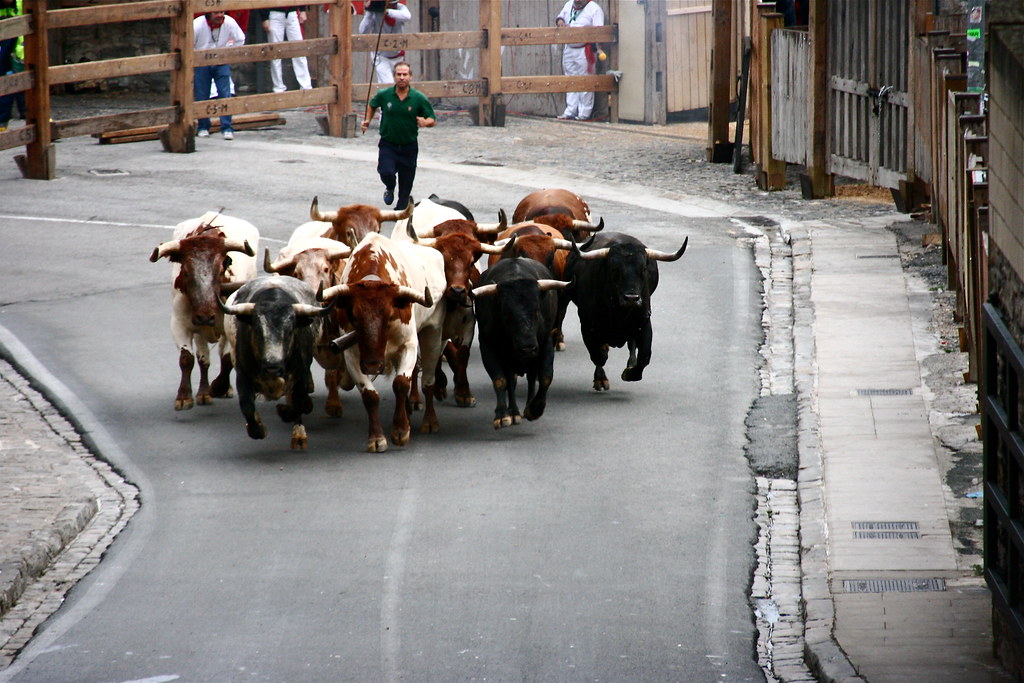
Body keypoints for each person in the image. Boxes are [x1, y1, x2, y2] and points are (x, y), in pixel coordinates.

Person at [361, 62, 434, 210]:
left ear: (410, 77)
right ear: (394, 77)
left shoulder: (418, 98)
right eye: (399, 74)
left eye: (405, 74)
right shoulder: (385, 95)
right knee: (386, 172)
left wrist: (425, 122)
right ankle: (390, 186)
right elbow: (372, 104)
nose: (402, 78)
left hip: (409, 146)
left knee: (406, 186)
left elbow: (432, 119)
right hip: (389, 144)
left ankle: (400, 215)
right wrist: (367, 120)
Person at [193, 11, 246, 139]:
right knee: (202, 95)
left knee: (225, 94)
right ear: (209, 15)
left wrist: (228, 51)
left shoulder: (229, 22)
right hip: (201, 63)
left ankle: (227, 128)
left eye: (222, 12)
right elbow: (189, 44)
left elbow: (240, 39)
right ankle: (203, 126)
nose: (220, 15)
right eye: (216, 13)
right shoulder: (197, 24)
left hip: (221, 62)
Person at [555, 0, 604, 121]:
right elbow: (560, 17)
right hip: (569, 48)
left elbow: (600, 32)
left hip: (585, 49)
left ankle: (584, 112)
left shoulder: (594, 9)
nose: (577, 1)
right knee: (570, 78)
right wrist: (560, 23)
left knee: (585, 80)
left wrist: (598, 49)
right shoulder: (568, 5)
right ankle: (570, 110)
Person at [260, 6, 313, 93]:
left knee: (299, 50)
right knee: (275, 53)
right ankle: (278, 88)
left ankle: (306, 87)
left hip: (292, 12)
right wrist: (264, 17)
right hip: (274, 12)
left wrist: (302, 9)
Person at [359, 0, 411, 85]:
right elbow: (362, 31)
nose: (393, 5)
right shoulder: (375, 14)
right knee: (388, 85)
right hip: (381, 57)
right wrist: (369, 12)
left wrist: (387, 12)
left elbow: (407, 16)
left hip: (398, 56)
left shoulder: (400, 8)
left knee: (400, 85)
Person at [0, 0, 26, 133]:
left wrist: (21, 54)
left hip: (15, 45)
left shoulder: (21, 4)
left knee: (21, 78)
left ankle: (39, 121)